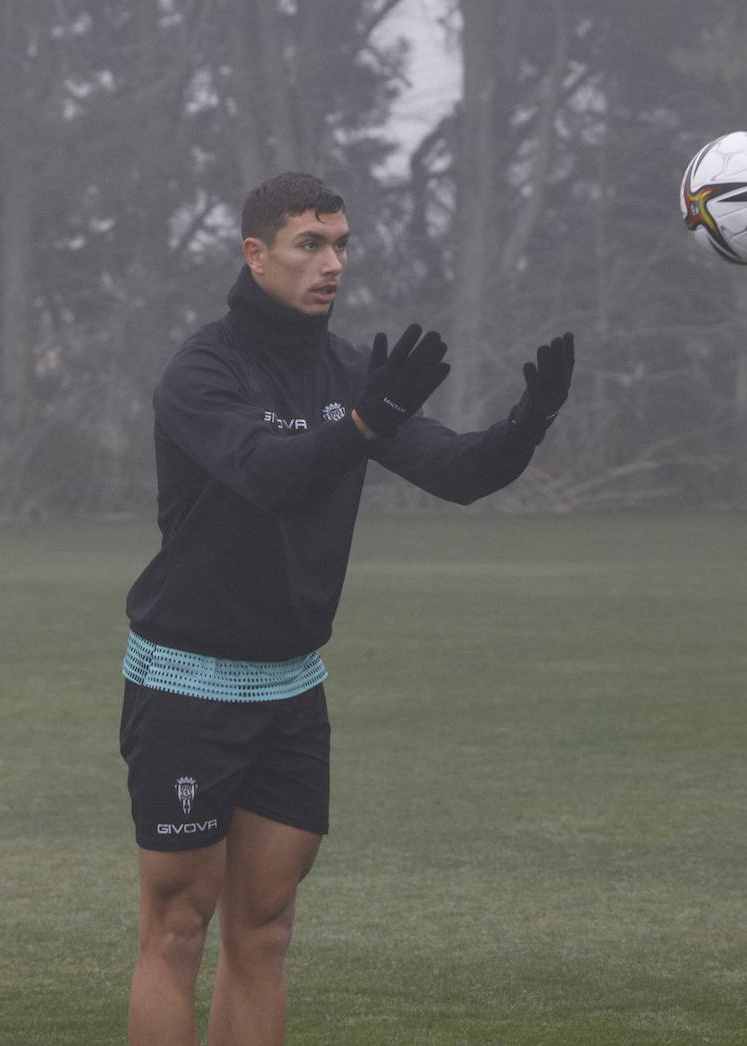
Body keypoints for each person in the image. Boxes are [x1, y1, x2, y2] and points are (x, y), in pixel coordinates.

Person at [119, 171, 574, 1046]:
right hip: (188, 682)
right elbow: (271, 477)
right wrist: (365, 422)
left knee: (267, 931)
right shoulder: (201, 370)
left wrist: (529, 421)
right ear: (256, 254)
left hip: (291, 688)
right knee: (178, 929)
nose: (332, 264)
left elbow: (460, 473)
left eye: (342, 245)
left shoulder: (352, 372)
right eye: (310, 245)